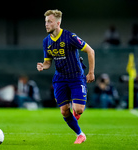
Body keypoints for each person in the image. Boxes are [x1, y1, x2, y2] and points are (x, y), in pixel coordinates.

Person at [37, 10, 95, 144]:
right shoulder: (46, 41)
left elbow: (90, 51)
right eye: (45, 22)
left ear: (58, 23)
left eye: (49, 22)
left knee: (79, 109)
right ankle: (80, 134)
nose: (46, 24)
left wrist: (91, 72)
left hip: (76, 77)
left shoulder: (70, 37)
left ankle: (76, 113)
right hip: (60, 78)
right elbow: (48, 62)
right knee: (64, 111)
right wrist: (42, 66)